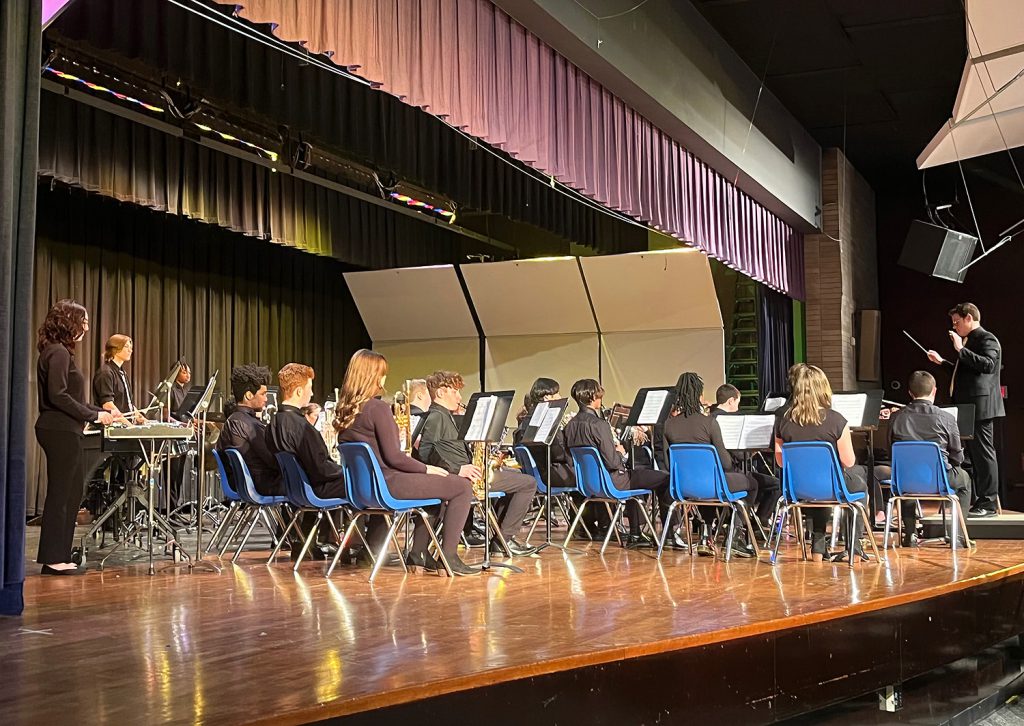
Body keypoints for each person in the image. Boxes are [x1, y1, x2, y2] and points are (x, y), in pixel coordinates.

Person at [334, 350, 478, 575]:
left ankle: (418, 555)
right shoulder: (378, 408)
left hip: (363, 492)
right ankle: (449, 557)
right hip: (388, 484)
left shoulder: (346, 412)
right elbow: (394, 457)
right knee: (461, 487)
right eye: (382, 374)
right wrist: (427, 468)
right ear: (374, 376)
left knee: (434, 491)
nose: (384, 379)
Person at [417, 370, 538, 557]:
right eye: (455, 391)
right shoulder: (436, 416)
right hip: (462, 478)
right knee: (528, 483)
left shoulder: (445, 415)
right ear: (441, 393)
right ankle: (503, 539)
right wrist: (458, 469)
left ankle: (502, 536)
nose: (459, 396)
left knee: (518, 478)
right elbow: (426, 450)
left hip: (468, 473)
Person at [35, 300, 117, 574]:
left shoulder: (59, 352)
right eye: (83, 321)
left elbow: (74, 399)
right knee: (62, 494)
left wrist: (102, 413)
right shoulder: (57, 353)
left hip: (65, 429)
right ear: (69, 322)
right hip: (58, 430)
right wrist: (93, 416)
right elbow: (58, 396)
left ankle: (58, 555)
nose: (86, 327)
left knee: (72, 493)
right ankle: (52, 559)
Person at [773, 364, 869, 562]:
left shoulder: (783, 421)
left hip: (798, 489)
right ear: (823, 388)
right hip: (830, 486)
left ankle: (818, 547)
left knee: (819, 488)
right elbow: (848, 461)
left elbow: (780, 461)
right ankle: (854, 548)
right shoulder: (836, 420)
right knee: (858, 481)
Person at [563, 378, 670, 542]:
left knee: (638, 479)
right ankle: (666, 533)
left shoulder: (570, 425)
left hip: (588, 484)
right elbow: (613, 462)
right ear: (592, 397)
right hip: (612, 481)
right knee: (664, 478)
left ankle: (636, 532)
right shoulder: (599, 425)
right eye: (599, 395)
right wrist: (620, 452)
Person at [662, 373, 757, 557]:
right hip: (712, 486)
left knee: (703, 485)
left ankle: (706, 535)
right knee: (752, 484)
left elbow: (667, 463)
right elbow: (725, 463)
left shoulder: (669, 425)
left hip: (682, 488)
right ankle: (735, 536)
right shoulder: (709, 423)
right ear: (699, 396)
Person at [926, 302, 1003, 516]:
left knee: (984, 453)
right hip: (967, 406)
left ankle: (988, 503)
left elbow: (988, 365)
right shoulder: (970, 341)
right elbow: (965, 373)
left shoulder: (987, 338)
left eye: (957, 322)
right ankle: (978, 499)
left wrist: (960, 349)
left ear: (969, 318)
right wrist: (942, 362)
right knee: (971, 455)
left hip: (981, 407)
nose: (954, 327)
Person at [882, 371, 972, 545]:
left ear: (909, 393)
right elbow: (957, 457)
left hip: (905, 481)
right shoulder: (946, 418)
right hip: (940, 479)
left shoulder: (896, 417)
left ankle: (909, 535)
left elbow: (892, 452)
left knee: (907, 480)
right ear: (934, 391)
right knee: (965, 480)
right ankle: (958, 536)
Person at [708, 382, 781, 524]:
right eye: (737, 403)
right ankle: (755, 523)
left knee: (756, 480)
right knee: (774, 484)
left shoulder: (709, 418)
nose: (737, 408)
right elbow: (741, 456)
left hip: (709, 476)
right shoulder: (728, 421)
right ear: (731, 401)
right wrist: (756, 448)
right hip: (729, 475)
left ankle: (742, 521)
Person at [217, 364, 281, 496]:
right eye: (263, 394)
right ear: (248, 395)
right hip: (259, 486)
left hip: (240, 484)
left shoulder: (232, 420)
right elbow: (274, 461)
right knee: (308, 482)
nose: (265, 399)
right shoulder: (250, 426)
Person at [513, 377, 574, 489]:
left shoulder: (527, 421)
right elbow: (558, 454)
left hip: (534, 473)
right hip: (549, 474)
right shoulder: (547, 420)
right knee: (588, 473)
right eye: (557, 393)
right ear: (547, 397)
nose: (560, 397)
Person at [92, 334, 145, 424]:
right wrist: (128, 425)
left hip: (125, 427)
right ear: (115, 349)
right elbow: (108, 405)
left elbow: (128, 403)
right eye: (126, 347)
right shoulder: (106, 373)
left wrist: (139, 417)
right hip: (113, 428)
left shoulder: (122, 373)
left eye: (131, 347)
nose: (130, 350)